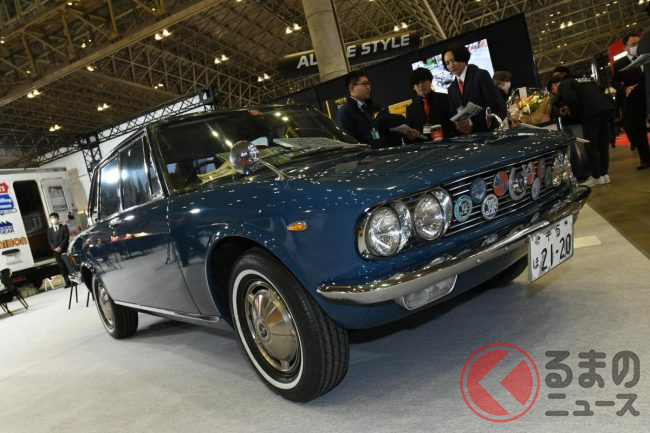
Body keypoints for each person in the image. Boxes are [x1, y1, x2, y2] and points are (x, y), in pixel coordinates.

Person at [547, 76, 615, 187]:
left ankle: (596, 177)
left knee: (590, 145)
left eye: (553, 91)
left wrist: (571, 111)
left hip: (591, 112)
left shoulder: (563, 85)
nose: (557, 94)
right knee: (603, 145)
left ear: (554, 86)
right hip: (604, 108)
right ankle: (604, 174)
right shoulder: (579, 80)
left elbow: (572, 100)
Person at [443, 43, 507, 134]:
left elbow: (497, 106)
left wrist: (471, 122)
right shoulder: (451, 89)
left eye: (453, 60)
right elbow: (453, 114)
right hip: (465, 138)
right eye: (447, 63)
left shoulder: (480, 75)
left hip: (487, 135)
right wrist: (459, 126)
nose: (451, 65)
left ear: (463, 57)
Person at [612, 32, 650, 169]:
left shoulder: (646, 57)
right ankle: (646, 159)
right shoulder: (620, 64)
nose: (637, 47)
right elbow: (614, 82)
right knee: (639, 131)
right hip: (634, 101)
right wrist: (625, 88)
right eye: (633, 44)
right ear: (625, 47)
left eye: (638, 43)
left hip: (649, 97)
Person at [405, 67, 454, 139]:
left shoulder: (445, 99)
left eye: (423, 81)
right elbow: (411, 134)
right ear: (413, 87)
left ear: (430, 81)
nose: (421, 85)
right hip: (425, 144)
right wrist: (412, 136)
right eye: (417, 83)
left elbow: (454, 123)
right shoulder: (410, 109)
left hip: (448, 142)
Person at [335, 70, 380, 146]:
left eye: (368, 84)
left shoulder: (367, 107)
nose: (369, 87)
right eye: (364, 84)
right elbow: (348, 142)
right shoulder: (345, 111)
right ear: (352, 88)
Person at [47, 212, 72, 287]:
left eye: (55, 218)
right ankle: (67, 282)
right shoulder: (49, 230)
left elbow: (66, 238)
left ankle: (73, 280)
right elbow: (50, 241)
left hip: (64, 249)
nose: (53, 219)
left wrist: (60, 247)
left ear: (58, 218)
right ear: (50, 220)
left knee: (68, 265)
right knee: (62, 266)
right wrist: (54, 248)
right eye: (51, 218)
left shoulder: (64, 227)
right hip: (56, 252)